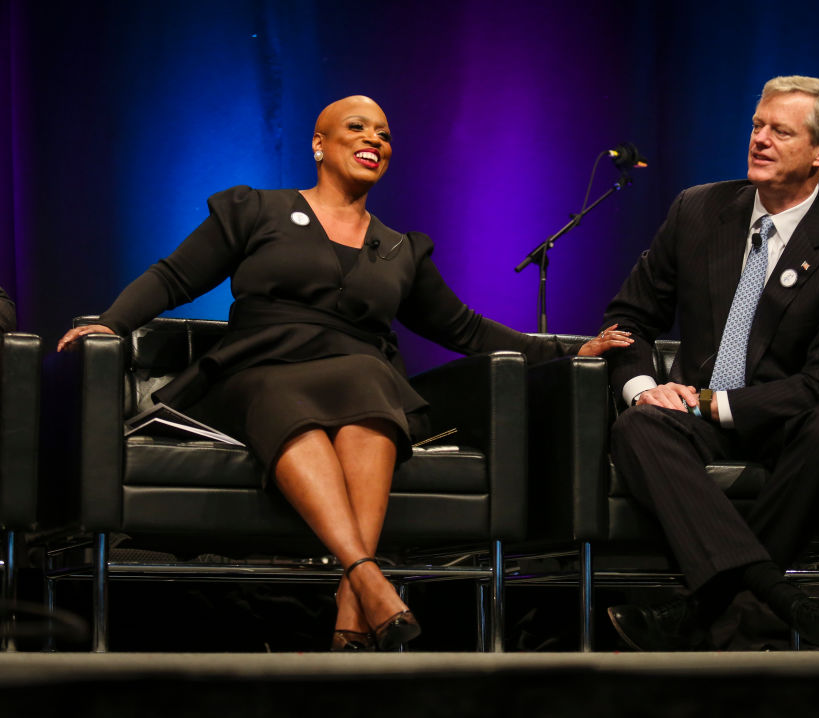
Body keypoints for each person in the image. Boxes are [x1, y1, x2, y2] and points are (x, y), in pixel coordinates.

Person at [58, 95, 631, 652]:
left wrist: (565, 354)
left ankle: (356, 596)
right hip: (258, 368)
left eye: (383, 133)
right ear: (318, 144)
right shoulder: (256, 210)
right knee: (304, 388)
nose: (374, 140)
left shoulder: (400, 249)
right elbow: (172, 277)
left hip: (361, 381)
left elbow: (467, 330)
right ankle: (364, 581)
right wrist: (111, 324)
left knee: (368, 374)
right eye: (357, 128)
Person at [600, 76, 819, 650]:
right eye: (757, 126)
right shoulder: (697, 209)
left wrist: (715, 402)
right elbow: (629, 319)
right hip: (700, 413)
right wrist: (642, 386)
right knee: (639, 425)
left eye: (780, 131)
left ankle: (695, 612)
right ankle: (785, 600)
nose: (759, 139)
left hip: (791, 421)